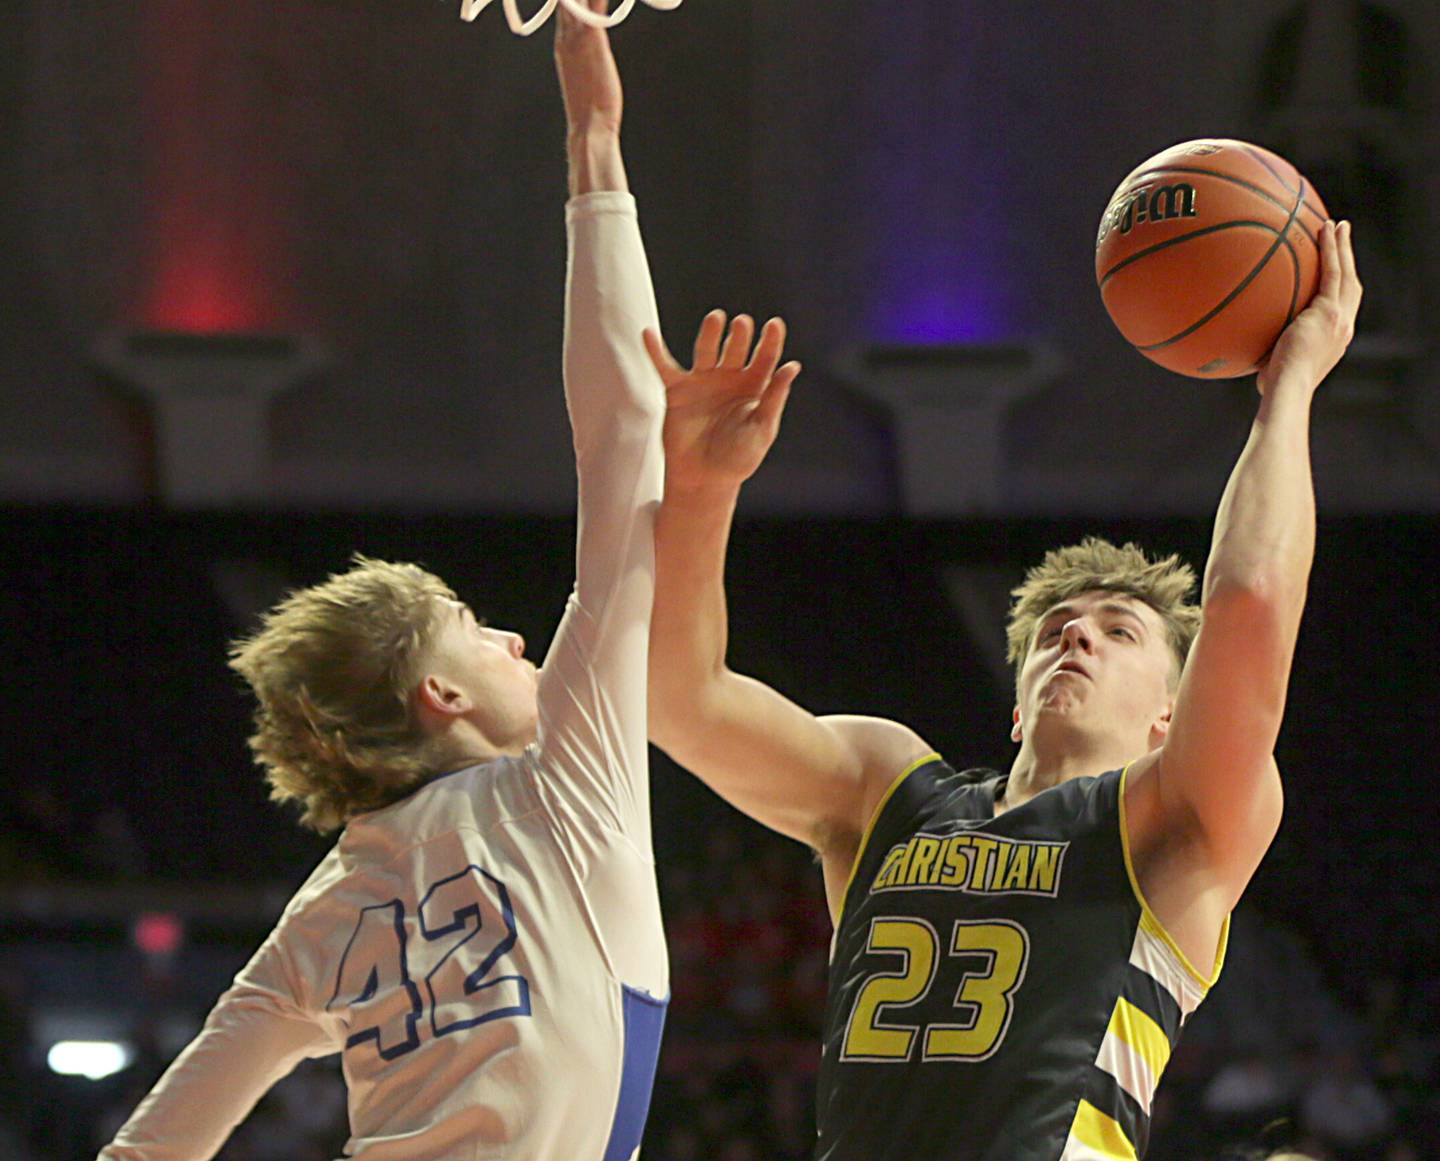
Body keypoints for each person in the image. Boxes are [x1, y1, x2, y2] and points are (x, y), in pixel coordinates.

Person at [644, 221, 1362, 1160]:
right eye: (1060, 629)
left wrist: (1290, 390)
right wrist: (699, 488)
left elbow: (1252, 599)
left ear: (1169, 715)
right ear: (1017, 702)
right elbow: (676, 697)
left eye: (1119, 631)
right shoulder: (888, 787)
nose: (1076, 634)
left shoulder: (1172, 820)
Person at [100, 6, 676, 1158]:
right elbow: (626, 437)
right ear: (439, 696)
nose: (517, 641)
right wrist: (593, 141)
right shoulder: (562, 782)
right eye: (474, 628)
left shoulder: (327, 910)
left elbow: (146, 1150)